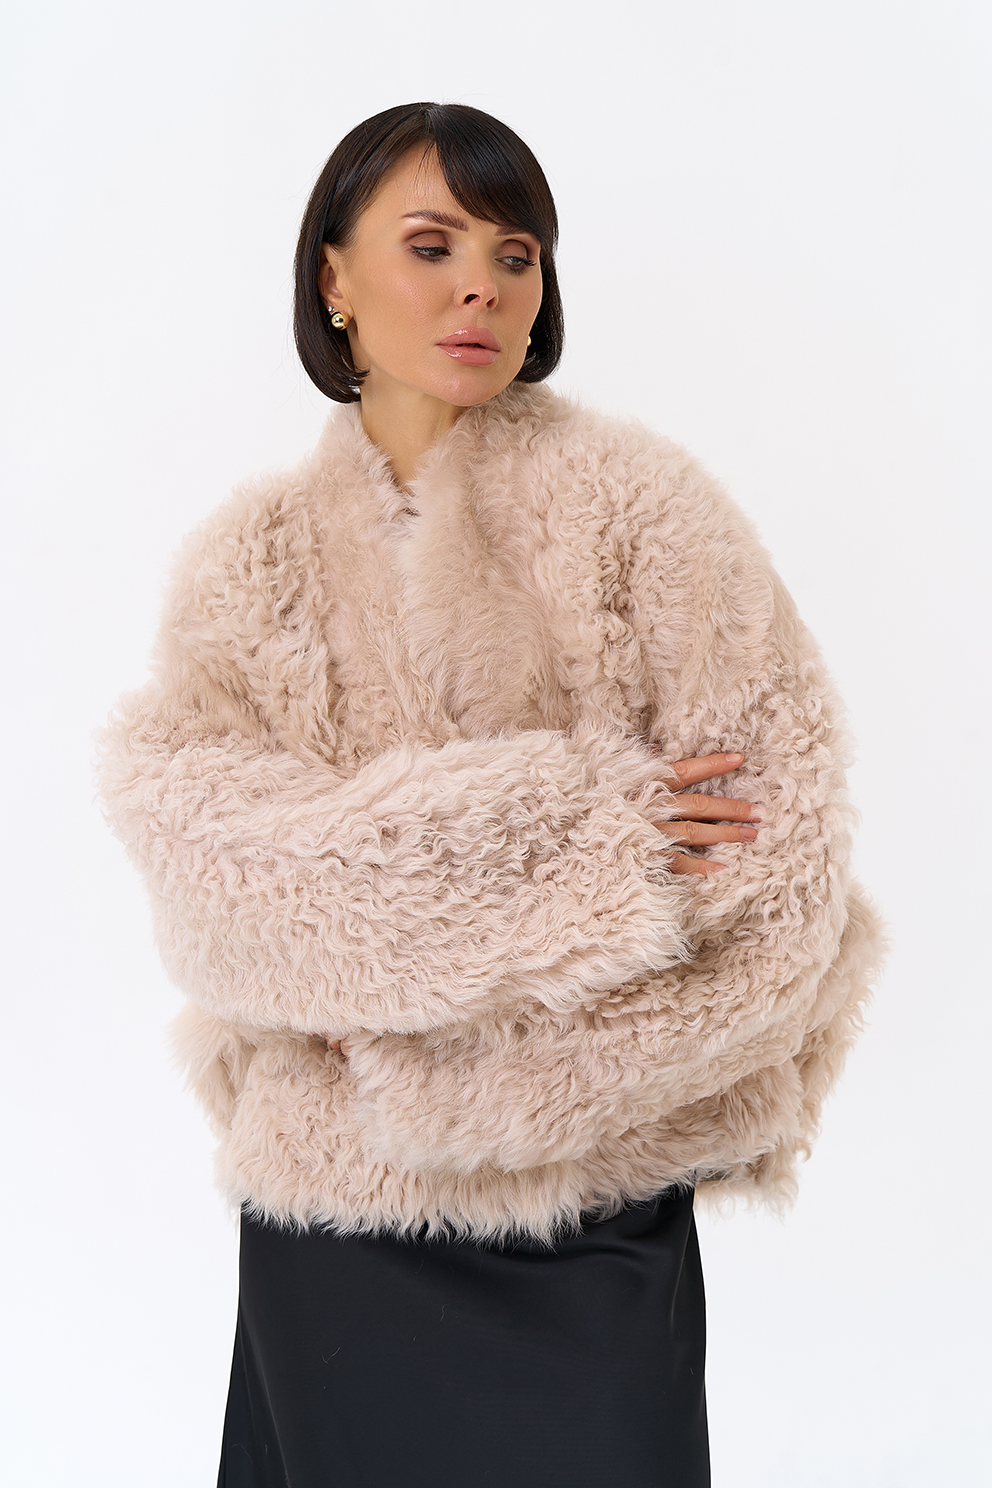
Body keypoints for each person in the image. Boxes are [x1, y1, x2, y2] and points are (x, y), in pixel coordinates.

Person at [98, 102, 883, 1488]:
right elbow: (218, 897)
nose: (482, 287)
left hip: (590, 1217)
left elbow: (782, 882)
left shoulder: (647, 515)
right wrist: (591, 843)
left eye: (516, 255)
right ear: (334, 277)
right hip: (335, 1237)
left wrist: (410, 1024)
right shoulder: (247, 566)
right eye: (433, 245)